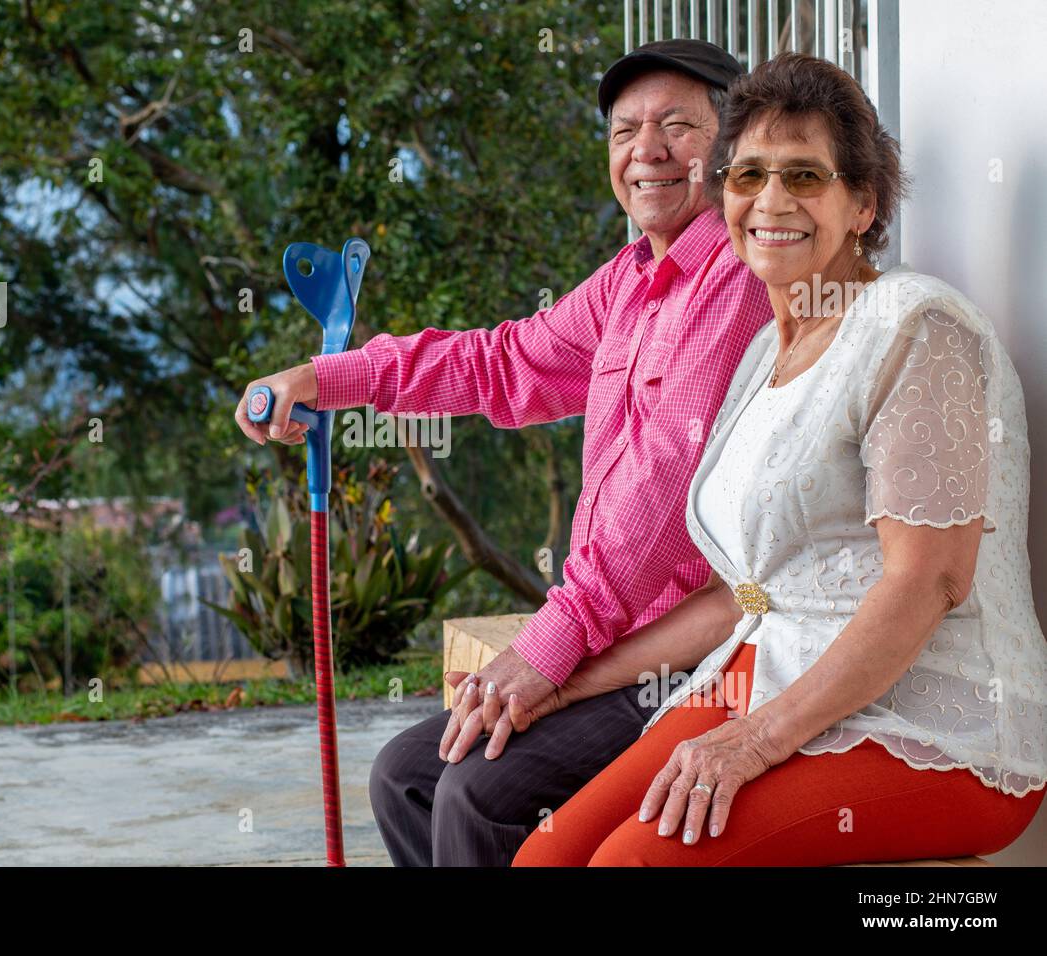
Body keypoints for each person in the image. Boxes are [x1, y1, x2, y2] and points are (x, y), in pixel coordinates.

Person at [234, 39, 775, 866]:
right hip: (618, 640)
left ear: (730, 147)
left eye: (677, 125)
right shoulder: (630, 280)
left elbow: (663, 497)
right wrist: (324, 376)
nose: (647, 151)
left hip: (697, 655)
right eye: (625, 131)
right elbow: (501, 361)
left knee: (479, 795)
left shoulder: (734, 280)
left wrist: (548, 650)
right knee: (405, 775)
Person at [512, 52, 1047, 866]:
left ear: (863, 203)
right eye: (748, 174)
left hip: (935, 719)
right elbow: (749, 593)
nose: (770, 201)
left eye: (804, 177)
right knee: (546, 857)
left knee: (630, 864)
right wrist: (574, 679)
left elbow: (928, 578)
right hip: (768, 670)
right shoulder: (767, 352)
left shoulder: (915, 328)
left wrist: (756, 742)